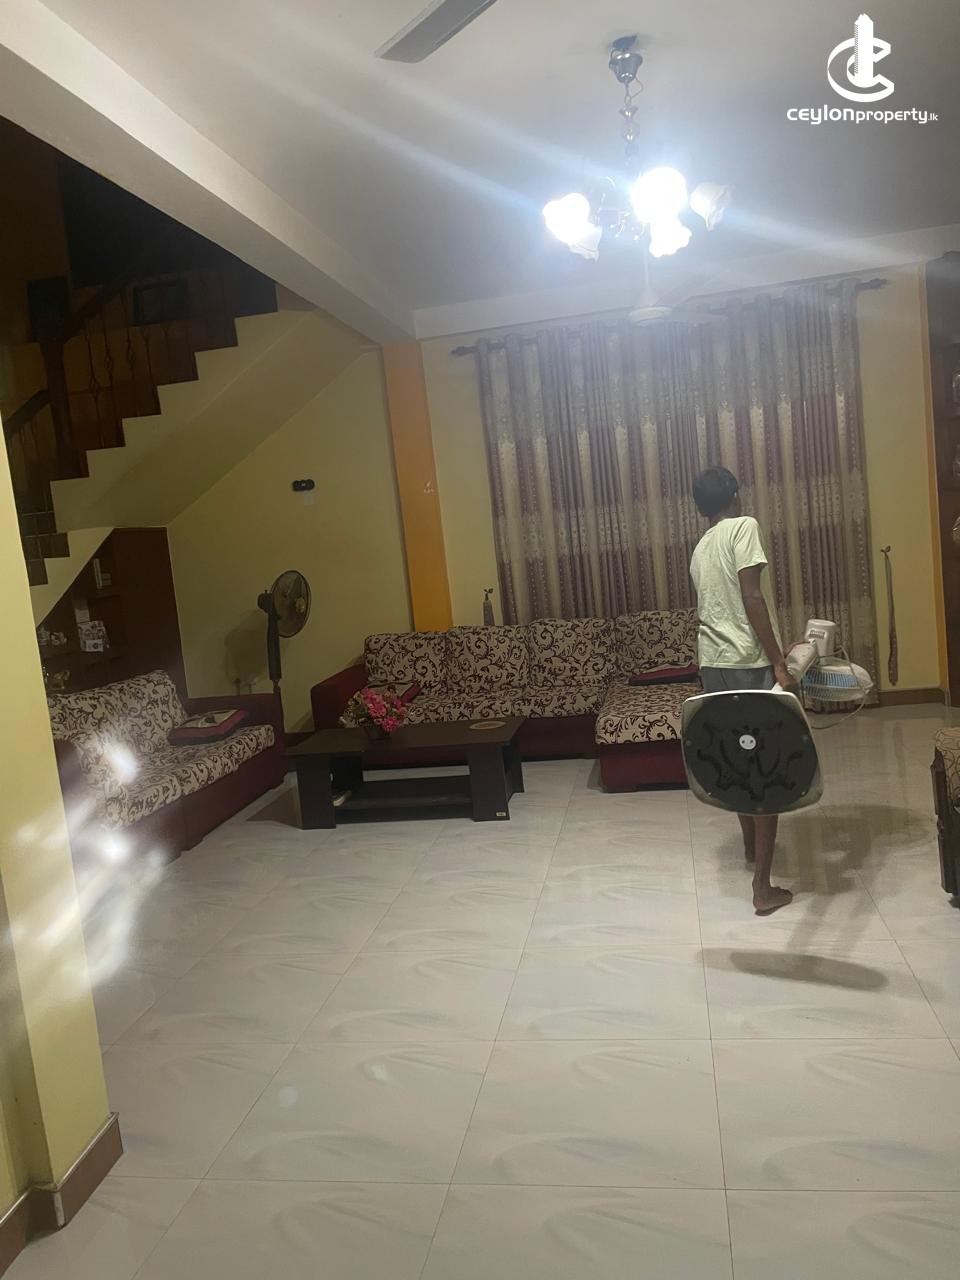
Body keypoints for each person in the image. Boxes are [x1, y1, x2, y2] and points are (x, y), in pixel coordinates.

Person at [689, 466, 798, 916]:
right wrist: (778, 661)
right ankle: (762, 887)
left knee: (737, 760)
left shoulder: (700, 547)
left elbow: (722, 608)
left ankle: (753, 849)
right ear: (735, 494)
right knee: (766, 768)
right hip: (745, 664)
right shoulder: (744, 527)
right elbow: (752, 597)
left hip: (712, 665)